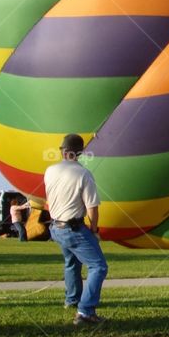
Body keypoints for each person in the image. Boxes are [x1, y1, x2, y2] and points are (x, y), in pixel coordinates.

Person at [45, 134, 108, 325]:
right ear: (80, 153)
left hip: (56, 227)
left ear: (62, 151)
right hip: (73, 228)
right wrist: (94, 230)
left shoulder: (50, 170)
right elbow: (92, 208)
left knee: (71, 262)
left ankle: (72, 300)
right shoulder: (83, 174)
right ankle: (85, 311)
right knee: (98, 266)